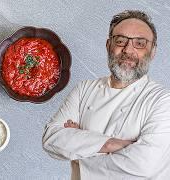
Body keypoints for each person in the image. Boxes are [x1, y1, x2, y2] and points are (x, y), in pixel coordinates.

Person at [42, 10, 170, 180]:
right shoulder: (84, 89)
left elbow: (144, 165)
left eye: (140, 43)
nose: (128, 49)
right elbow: (51, 139)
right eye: (120, 41)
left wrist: (80, 151)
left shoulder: (162, 100)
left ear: (152, 52)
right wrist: (112, 144)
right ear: (108, 45)